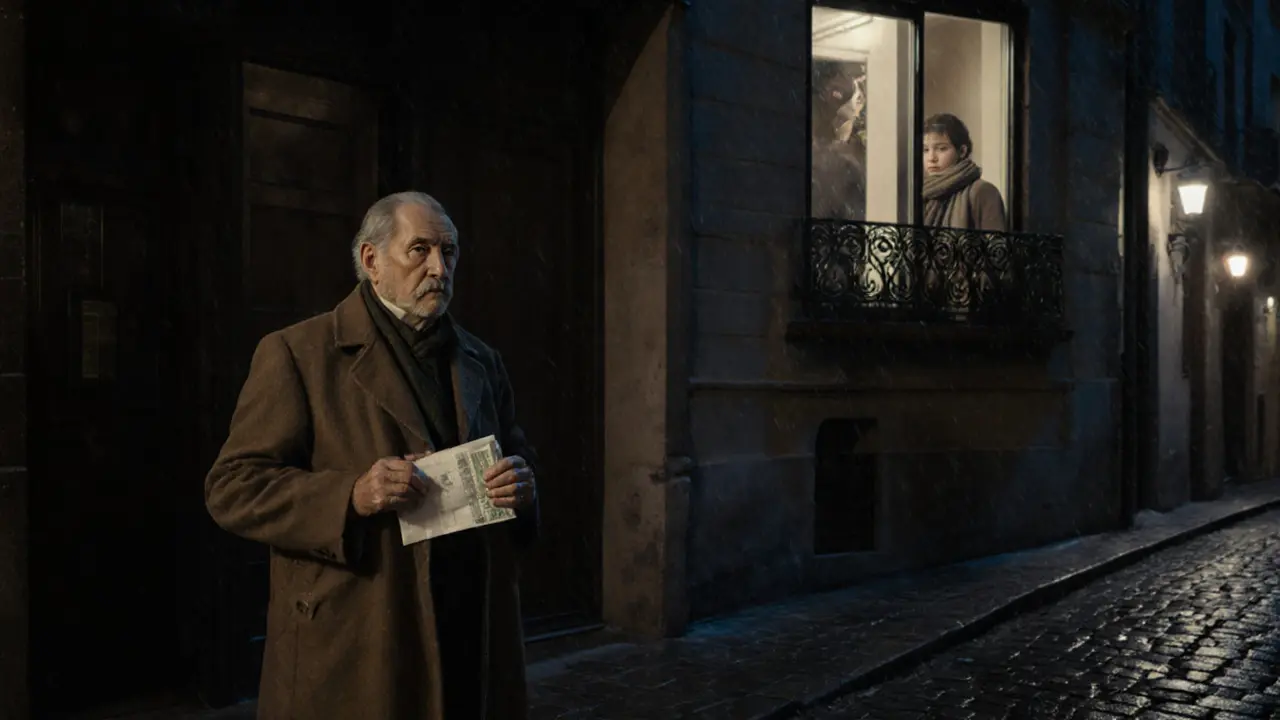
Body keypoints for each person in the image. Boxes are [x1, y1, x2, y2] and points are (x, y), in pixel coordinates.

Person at [205, 191, 540, 720]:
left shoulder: (481, 359)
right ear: (371, 261)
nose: (439, 267)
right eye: (420, 250)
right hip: (361, 635)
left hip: (468, 625)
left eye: (449, 252)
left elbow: (518, 456)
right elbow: (233, 488)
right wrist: (351, 494)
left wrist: (522, 485)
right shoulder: (297, 353)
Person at [922, 113, 1007, 231]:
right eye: (925, 150)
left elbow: (996, 246)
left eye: (942, 149)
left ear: (962, 151)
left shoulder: (983, 191)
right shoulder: (922, 193)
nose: (931, 158)